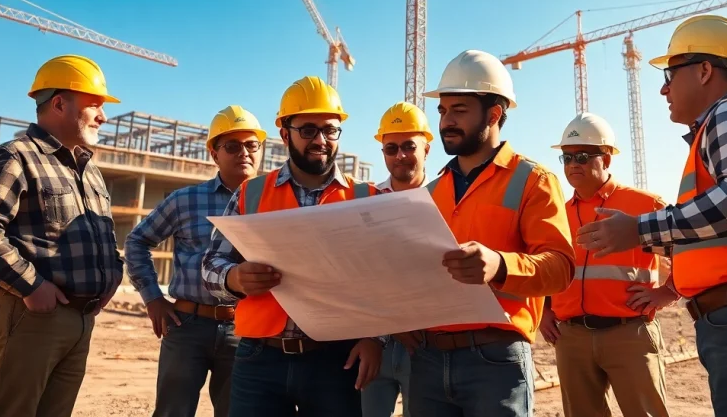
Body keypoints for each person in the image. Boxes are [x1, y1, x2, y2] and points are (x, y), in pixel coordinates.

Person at [577, 15, 727, 417]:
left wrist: (640, 229)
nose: (663, 88)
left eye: (670, 74)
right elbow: (724, 230)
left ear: (705, 70)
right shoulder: (722, 124)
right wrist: (644, 237)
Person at [402, 49, 576, 417]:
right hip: (428, 359)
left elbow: (560, 267)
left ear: (494, 114)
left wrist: (499, 265)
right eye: (443, 111)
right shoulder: (432, 192)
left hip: (495, 360)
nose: (446, 121)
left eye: (459, 110)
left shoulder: (533, 180)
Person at [0, 54, 124, 417]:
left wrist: (112, 274)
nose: (103, 116)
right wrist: (31, 285)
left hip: (79, 320)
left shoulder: (88, 169)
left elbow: (101, 234)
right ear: (60, 103)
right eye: (95, 105)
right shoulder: (15, 157)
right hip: (29, 315)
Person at [201, 76, 383, 417]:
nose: (321, 140)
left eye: (330, 130)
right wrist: (235, 278)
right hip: (260, 358)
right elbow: (211, 264)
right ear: (285, 134)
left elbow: (385, 279)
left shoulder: (366, 198)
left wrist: (377, 339)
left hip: (336, 359)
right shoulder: (251, 193)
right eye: (308, 130)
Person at [124, 105, 268, 417]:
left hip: (248, 327)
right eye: (232, 145)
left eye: (251, 145)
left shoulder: (274, 201)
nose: (244, 152)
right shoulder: (185, 200)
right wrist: (152, 298)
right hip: (187, 325)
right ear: (215, 154)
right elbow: (137, 241)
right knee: (172, 412)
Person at [539, 112, 673, 417]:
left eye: (583, 156)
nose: (574, 164)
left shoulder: (645, 206)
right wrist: (544, 310)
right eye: (567, 157)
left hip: (630, 334)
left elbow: (691, 253)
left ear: (607, 159)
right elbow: (547, 267)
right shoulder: (557, 215)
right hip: (571, 337)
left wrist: (669, 292)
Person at [361, 101, 434, 417]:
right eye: (391, 148)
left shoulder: (445, 200)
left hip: (428, 344)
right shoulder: (364, 202)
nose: (400, 155)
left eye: (409, 146)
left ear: (427, 149)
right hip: (372, 342)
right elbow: (357, 273)